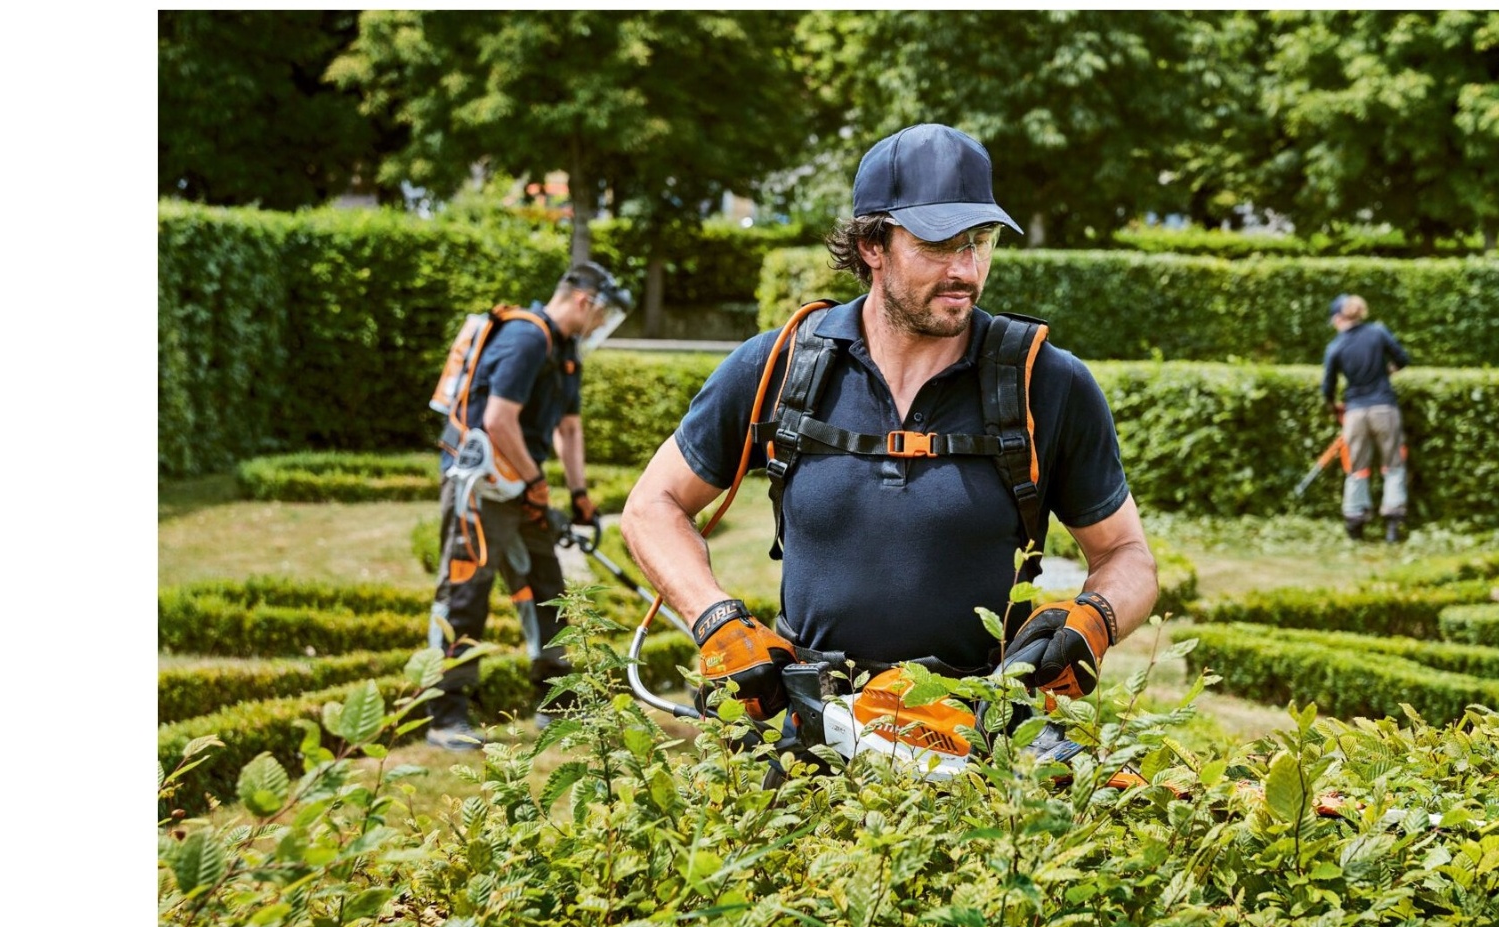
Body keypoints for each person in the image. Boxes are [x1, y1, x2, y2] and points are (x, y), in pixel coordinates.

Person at [621, 122, 1157, 755]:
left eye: (979, 242)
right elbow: (651, 507)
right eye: (939, 244)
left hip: (981, 749)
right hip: (814, 748)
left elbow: (1128, 555)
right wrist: (715, 620)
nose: (965, 269)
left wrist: (1095, 619)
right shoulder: (780, 366)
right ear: (873, 243)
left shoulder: (1047, 383)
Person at [425, 261, 632, 749]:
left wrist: (579, 494)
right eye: (602, 315)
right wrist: (538, 481)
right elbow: (498, 421)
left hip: (519, 483)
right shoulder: (525, 338)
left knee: (547, 587)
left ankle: (556, 705)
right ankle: (444, 716)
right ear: (585, 300)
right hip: (481, 485)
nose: (601, 326)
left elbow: (569, 428)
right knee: (465, 592)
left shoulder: (565, 352)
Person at [1321, 293, 1411, 542]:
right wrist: (1387, 371)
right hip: (1384, 407)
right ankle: (1393, 525)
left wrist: (1333, 406)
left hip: (1355, 412)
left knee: (1357, 468)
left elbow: (1327, 386)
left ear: (1339, 318)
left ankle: (1355, 523)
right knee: (1392, 464)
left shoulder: (1336, 346)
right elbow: (1402, 359)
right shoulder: (1378, 333)